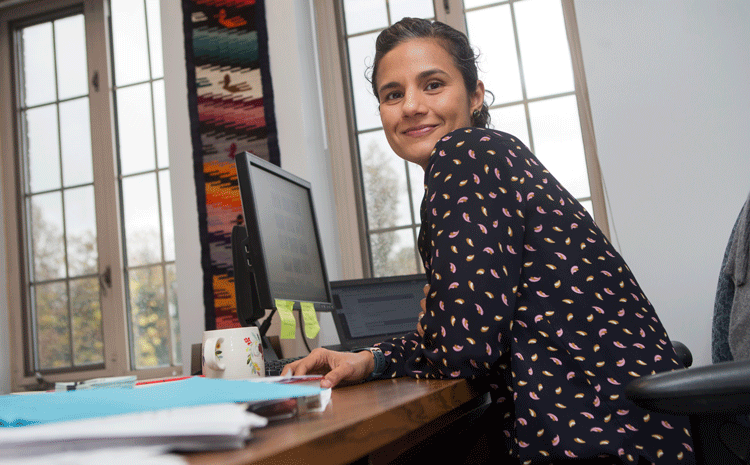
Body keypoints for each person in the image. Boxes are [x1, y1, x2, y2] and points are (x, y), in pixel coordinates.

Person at [283, 17, 695, 464]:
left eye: (433, 84)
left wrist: (436, 322)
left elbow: (461, 350)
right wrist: (374, 359)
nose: (412, 106)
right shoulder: (490, 159)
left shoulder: (467, 157)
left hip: (594, 440)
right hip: (617, 428)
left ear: (475, 95)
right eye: (393, 94)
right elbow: (462, 336)